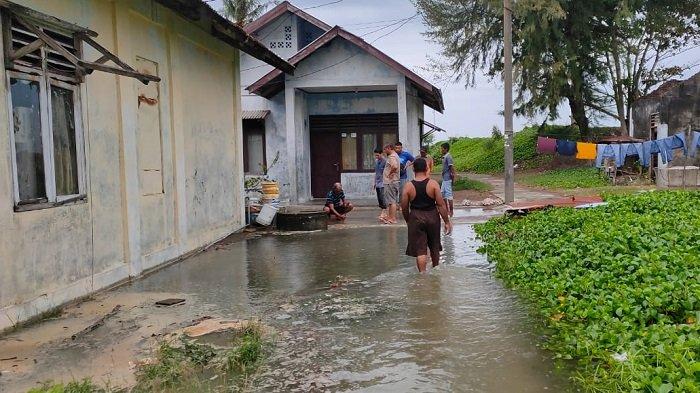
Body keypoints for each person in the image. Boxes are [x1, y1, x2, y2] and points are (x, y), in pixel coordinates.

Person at [401, 158, 452, 272]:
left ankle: (422, 276)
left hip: (416, 217)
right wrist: (447, 221)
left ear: (413, 169)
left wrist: (408, 220)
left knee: (420, 250)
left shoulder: (408, 186)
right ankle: (435, 271)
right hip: (432, 216)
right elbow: (441, 205)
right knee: (434, 246)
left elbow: (404, 206)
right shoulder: (433, 184)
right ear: (426, 168)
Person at [382, 143, 401, 224]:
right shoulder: (395, 155)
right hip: (394, 181)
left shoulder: (392, 156)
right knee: (391, 201)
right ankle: (390, 217)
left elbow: (394, 166)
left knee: (392, 201)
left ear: (389, 148)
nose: (384, 151)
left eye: (385, 149)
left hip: (391, 182)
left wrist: (390, 174)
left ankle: (392, 219)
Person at [440, 142, 455, 217]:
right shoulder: (444, 156)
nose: (441, 150)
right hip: (444, 179)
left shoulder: (448, 157)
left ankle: (451, 211)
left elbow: (451, 168)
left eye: (442, 148)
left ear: (445, 149)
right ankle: (446, 209)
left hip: (448, 179)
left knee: (449, 195)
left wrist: (453, 178)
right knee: (442, 194)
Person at [373, 148, 388, 221]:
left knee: (383, 196)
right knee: (379, 197)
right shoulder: (376, 161)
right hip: (378, 182)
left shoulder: (385, 161)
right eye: (375, 155)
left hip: (384, 182)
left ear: (381, 154)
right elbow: (376, 173)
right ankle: (383, 211)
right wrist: (374, 182)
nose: (376, 157)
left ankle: (384, 211)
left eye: (378, 155)